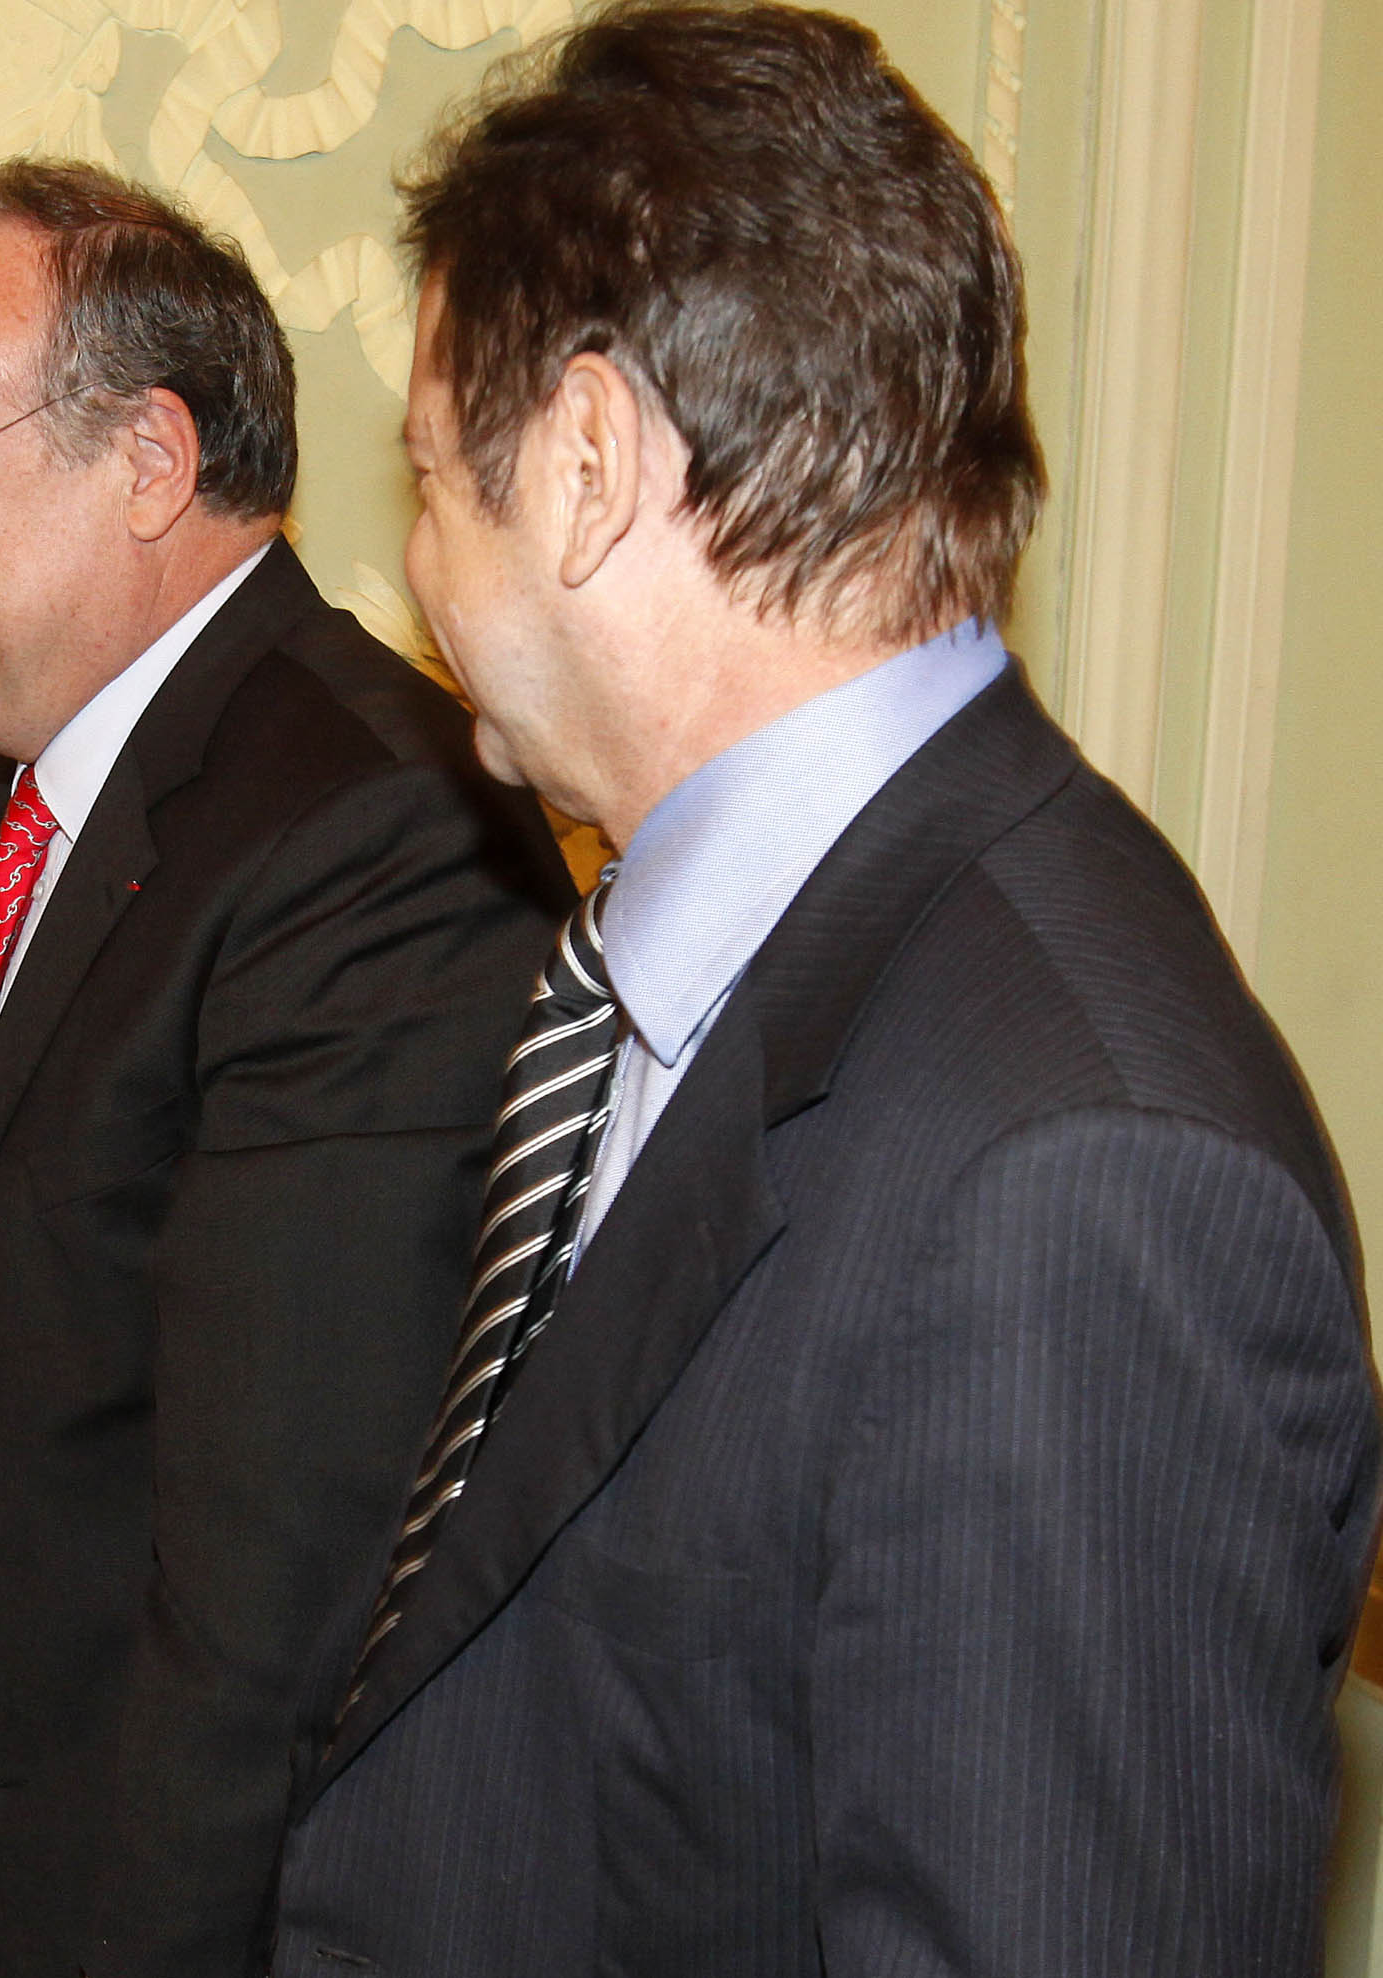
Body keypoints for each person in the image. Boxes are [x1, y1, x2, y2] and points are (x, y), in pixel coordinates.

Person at [270, 8, 1383, 1974]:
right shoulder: (720, 958)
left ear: (588, 465)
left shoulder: (1082, 1177)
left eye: (433, 479)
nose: (416, 568)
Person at [0, 160, 571, 1978]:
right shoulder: (27, 789)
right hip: (6, 1811)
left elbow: (284, 1585)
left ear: (145, 457)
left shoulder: (375, 827)